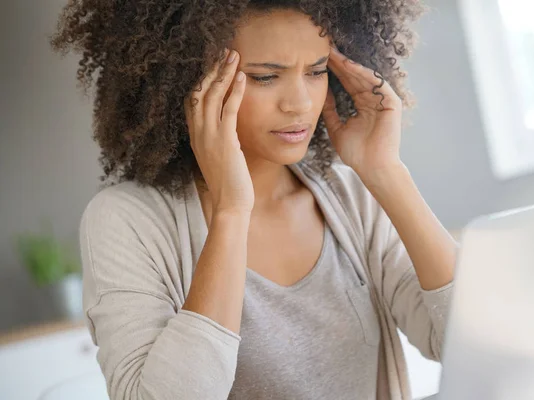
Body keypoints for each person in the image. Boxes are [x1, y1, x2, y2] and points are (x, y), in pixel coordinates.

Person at [51, 1, 457, 399]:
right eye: (265, 77)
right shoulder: (128, 222)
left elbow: (464, 339)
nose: (299, 103)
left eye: (316, 72)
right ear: (191, 80)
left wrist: (386, 172)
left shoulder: (350, 197)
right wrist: (230, 212)